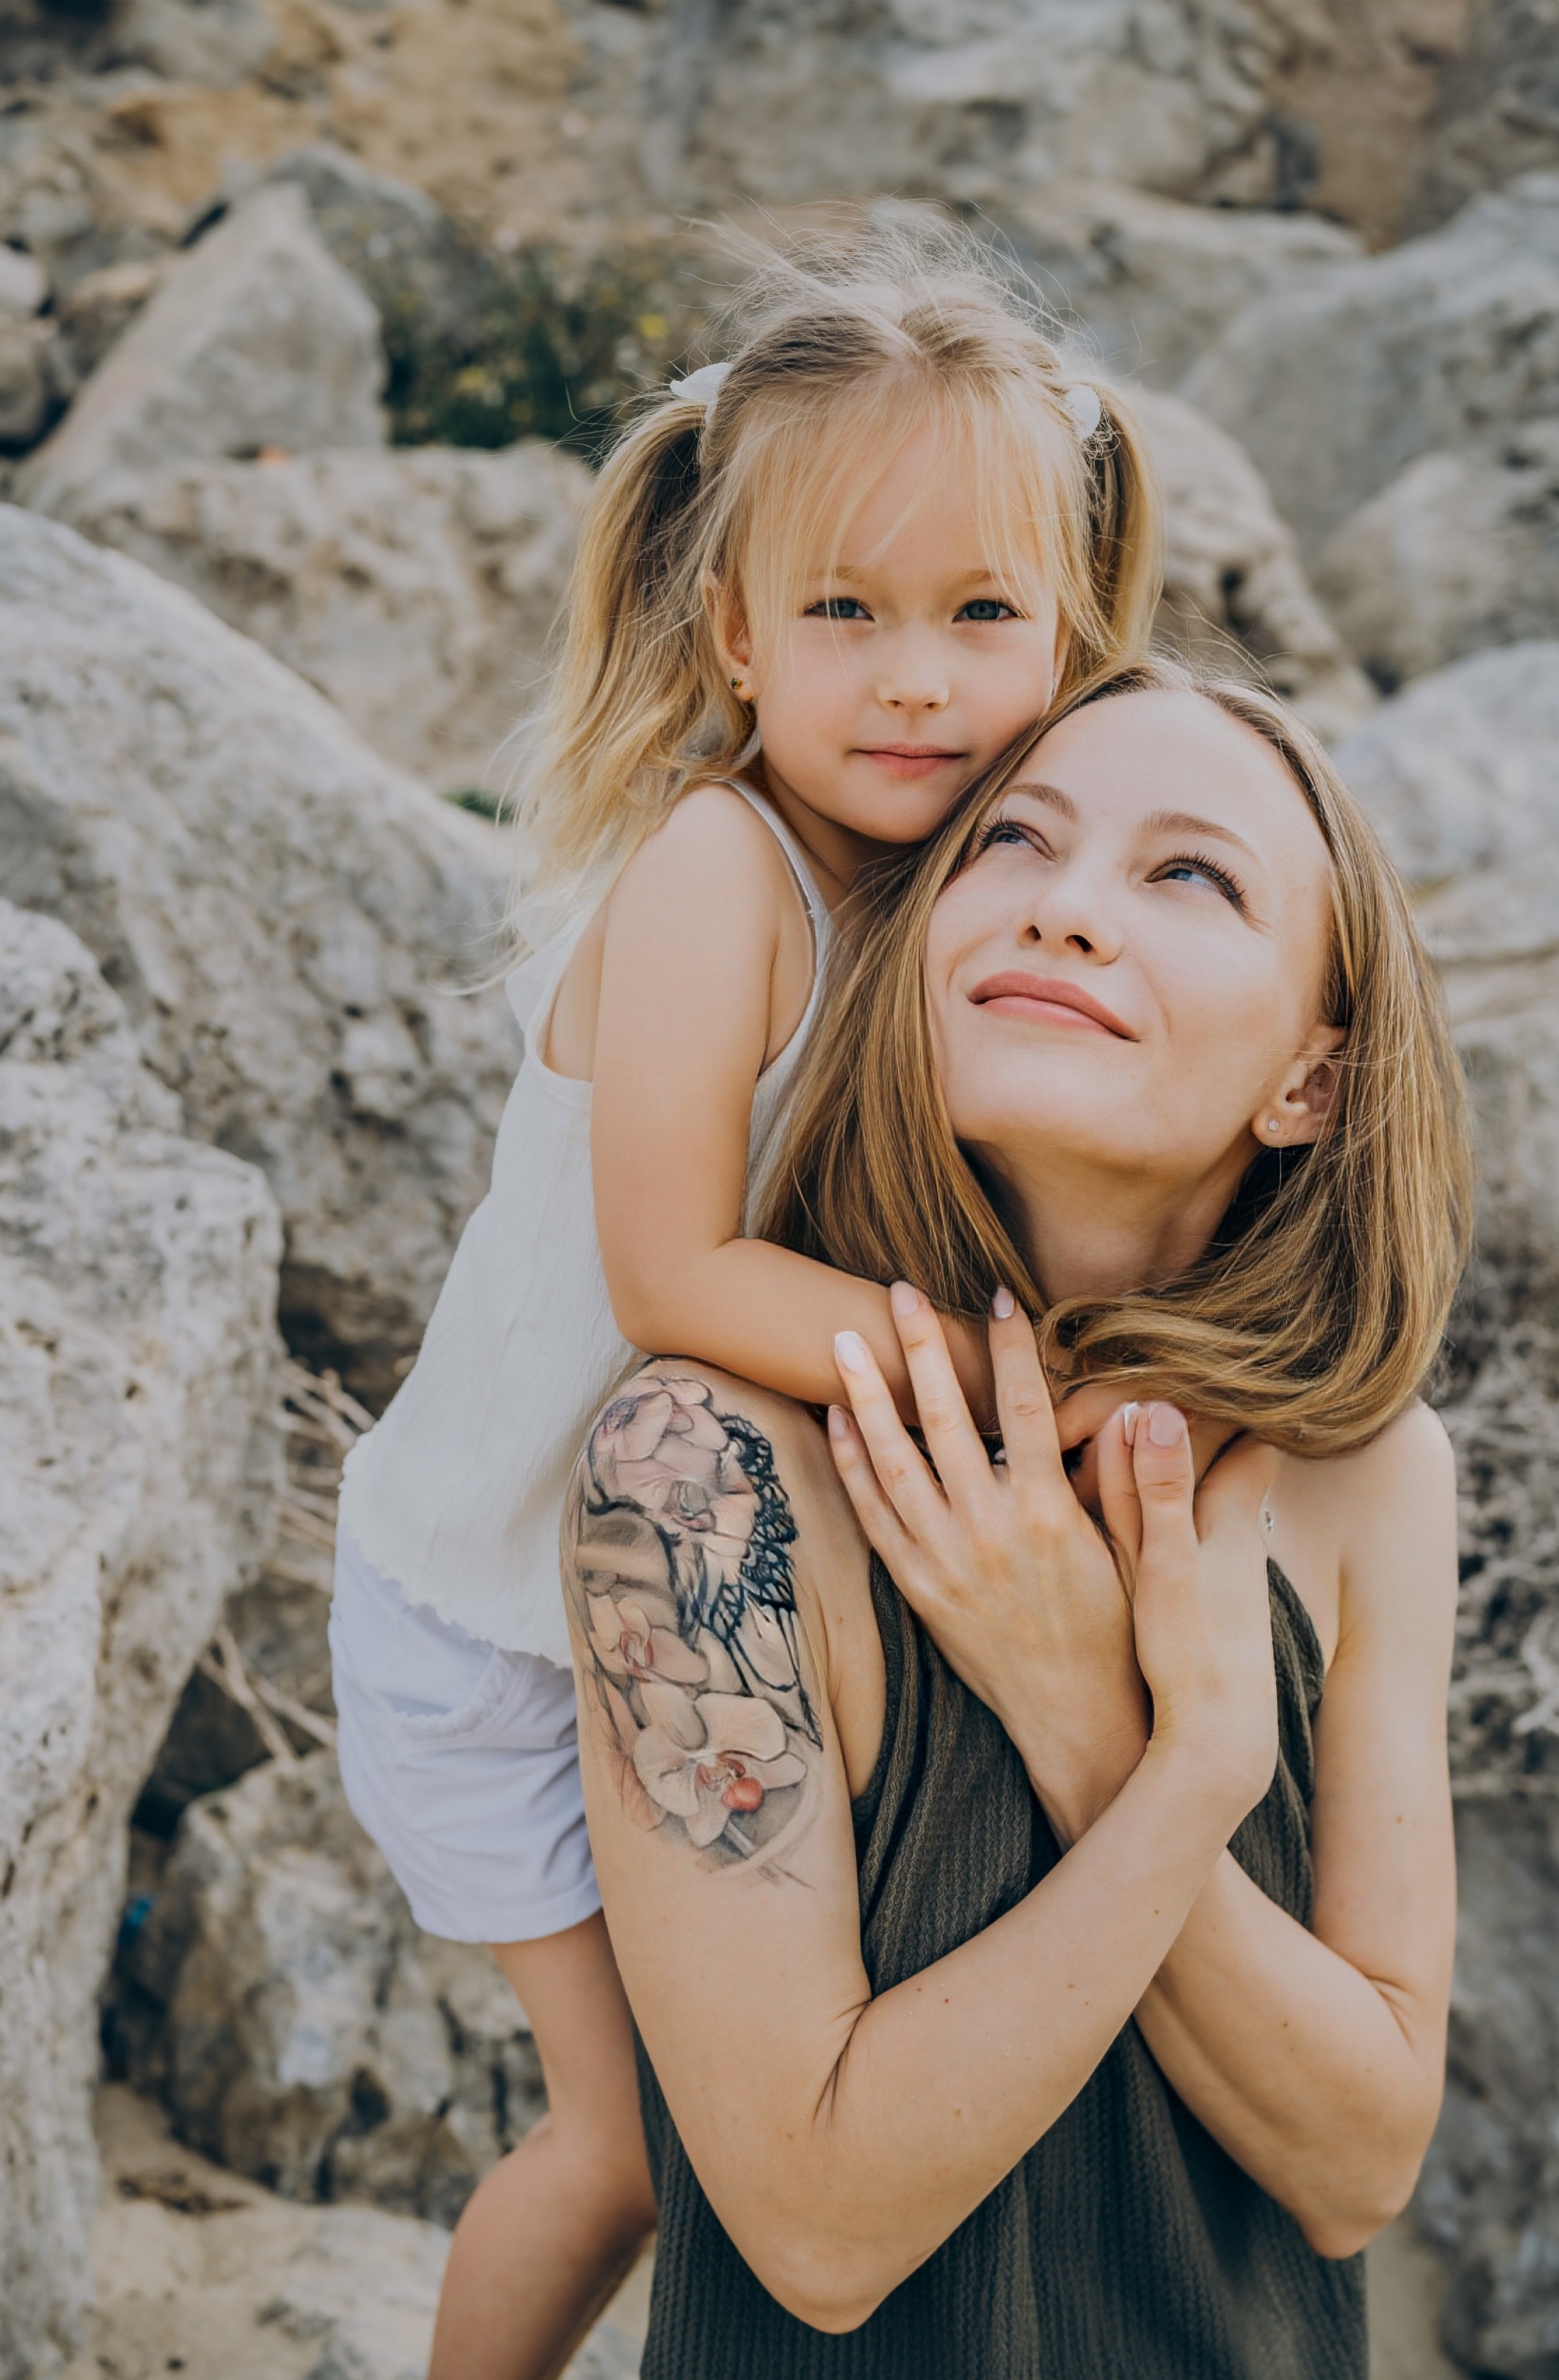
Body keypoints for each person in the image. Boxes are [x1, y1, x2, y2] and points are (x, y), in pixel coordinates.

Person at [329, 222, 1164, 2380]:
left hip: (681, 1581)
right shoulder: (725, 868)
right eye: (846, 613)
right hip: (486, 1623)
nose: (917, 680)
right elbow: (676, 1270)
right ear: (734, 635)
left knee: (775, 2069)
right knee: (624, 2144)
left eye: (982, 612)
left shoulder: (967, 887)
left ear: (1075, 626)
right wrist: (1003, 1377)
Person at [562, 662, 1472, 2379]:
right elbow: (819, 2232)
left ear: (1316, 1079)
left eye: (1188, 873)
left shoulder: (1362, 1478)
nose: (1063, 907)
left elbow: (1360, 2165)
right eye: (1013, 840)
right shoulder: (697, 1472)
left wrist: (1084, 1722)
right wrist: (1183, 1781)